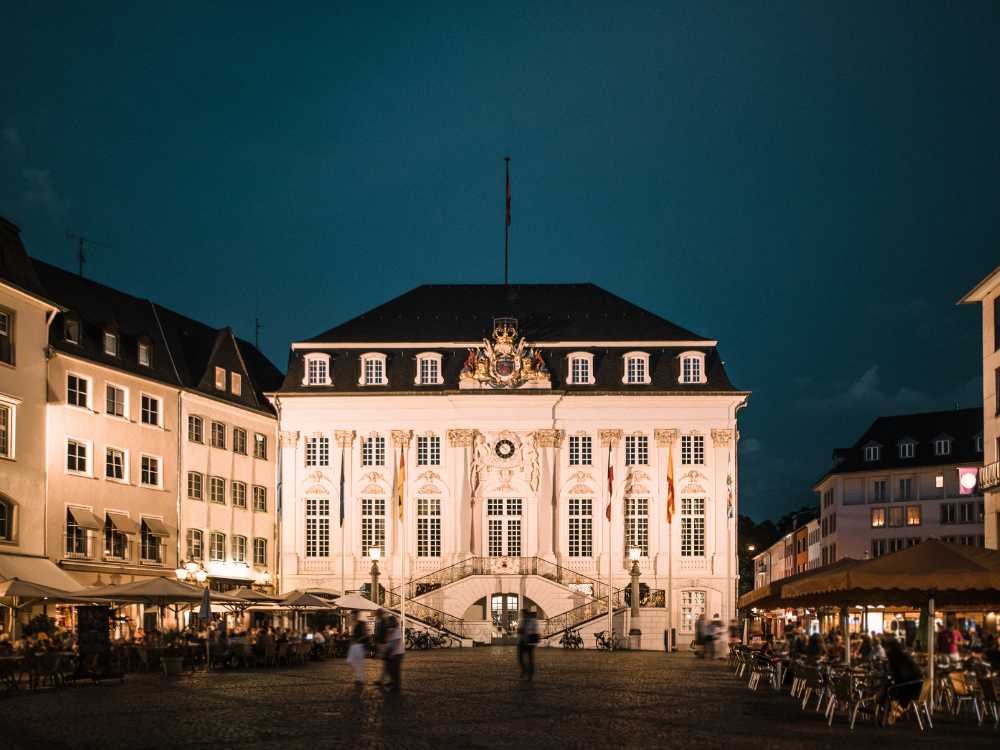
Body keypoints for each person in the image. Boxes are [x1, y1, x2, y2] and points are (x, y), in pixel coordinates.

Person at [516, 608, 540, 680]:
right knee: (520, 658)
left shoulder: (533, 621)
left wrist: (526, 631)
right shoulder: (521, 620)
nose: (522, 615)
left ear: (526, 614)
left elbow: (535, 631)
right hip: (521, 641)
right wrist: (519, 630)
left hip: (529, 642)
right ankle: (524, 670)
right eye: (521, 614)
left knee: (530, 659)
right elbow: (519, 630)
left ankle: (530, 675)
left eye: (523, 614)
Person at [383, 616, 404, 692]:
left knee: (395, 670)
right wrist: (388, 632)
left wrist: (393, 653)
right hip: (391, 651)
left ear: (392, 622)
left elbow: (398, 642)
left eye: (388, 621)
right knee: (389, 668)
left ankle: (396, 687)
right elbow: (386, 640)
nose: (387, 623)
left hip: (397, 653)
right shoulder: (390, 630)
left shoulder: (397, 630)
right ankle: (392, 682)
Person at [346, 619, 369, 686]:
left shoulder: (360, 625)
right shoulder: (357, 626)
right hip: (356, 646)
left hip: (359, 646)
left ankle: (360, 679)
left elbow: (365, 636)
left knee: (357, 663)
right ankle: (359, 678)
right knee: (353, 661)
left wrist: (358, 640)